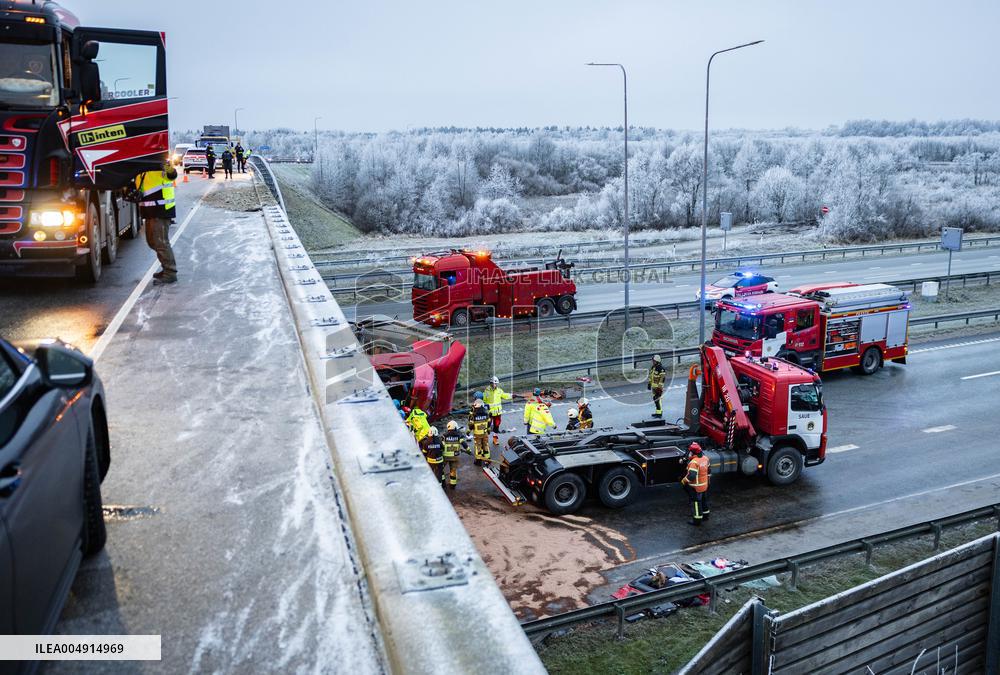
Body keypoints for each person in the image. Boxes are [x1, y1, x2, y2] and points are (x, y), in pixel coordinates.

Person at [133, 162, 179, 285]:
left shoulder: (160, 164)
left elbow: (172, 175)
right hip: (150, 211)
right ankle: (166, 268)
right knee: (152, 242)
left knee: (161, 243)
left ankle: (170, 273)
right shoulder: (142, 167)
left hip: (161, 210)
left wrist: (168, 168)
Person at [680, 442, 710, 526]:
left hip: (696, 487)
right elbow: (708, 471)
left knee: (696, 503)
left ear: (693, 452)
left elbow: (692, 476)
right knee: (704, 500)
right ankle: (706, 516)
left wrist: (684, 480)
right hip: (704, 485)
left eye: (690, 451)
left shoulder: (694, 462)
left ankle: (697, 520)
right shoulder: (705, 458)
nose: (689, 453)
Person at [483, 376, 512, 447]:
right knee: (487, 427)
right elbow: (484, 401)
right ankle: (485, 440)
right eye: (493, 383)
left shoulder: (499, 391)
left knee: (496, 426)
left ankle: (495, 439)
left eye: (496, 384)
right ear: (490, 383)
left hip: (497, 413)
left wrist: (512, 396)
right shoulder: (486, 391)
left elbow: (505, 395)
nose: (495, 385)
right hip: (489, 413)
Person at [441, 420, 470, 490]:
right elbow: (464, 444)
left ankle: (443, 483)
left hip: (445, 456)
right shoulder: (459, 435)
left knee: (441, 468)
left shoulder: (444, 436)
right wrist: (468, 450)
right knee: (453, 470)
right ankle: (453, 485)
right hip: (455, 456)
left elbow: (441, 446)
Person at [468, 398, 491, 466]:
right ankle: (487, 459)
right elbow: (489, 422)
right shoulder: (486, 413)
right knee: (485, 445)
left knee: (478, 446)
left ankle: (478, 461)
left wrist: (469, 431)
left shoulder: (473, 415)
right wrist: (488, 430)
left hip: (477, 434)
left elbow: (471, 424)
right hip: (484, 433)